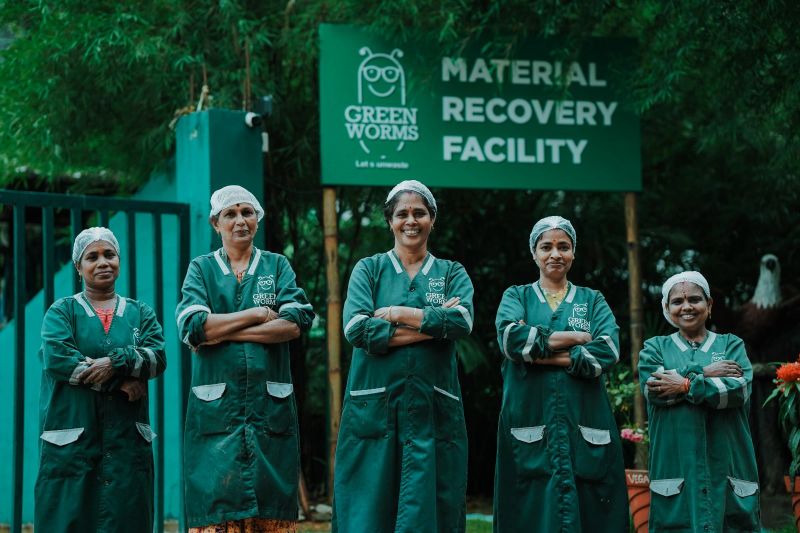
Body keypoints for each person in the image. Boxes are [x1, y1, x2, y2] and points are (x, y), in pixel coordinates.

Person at [332, 180, 474, 532]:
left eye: (419, 213)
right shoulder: (369, 269)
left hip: (432, 406)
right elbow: (356, 329)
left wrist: (394, 312)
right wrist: (432, 323)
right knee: (369, 505)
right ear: (390, 221)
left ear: (432, 219)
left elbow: (462, 321)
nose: (411, 221)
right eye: (402, 214)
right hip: (374, 407)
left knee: (431, 506)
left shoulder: (452, 272)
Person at [176, 185, 314, 532]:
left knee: (269, 503)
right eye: (231, 214)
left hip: (269, 405)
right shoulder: (201, 269)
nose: (240, 221)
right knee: (218, 504)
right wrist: (256, 314)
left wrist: (218, 330)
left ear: (256, 219)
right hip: (216, 410)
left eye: (247, 212)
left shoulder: (276, 265)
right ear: (215, 223)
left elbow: (296, 322)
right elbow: (193, 325)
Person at [493, 215, 628, 532]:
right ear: (534, 253)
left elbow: (607, 351)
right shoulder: (517, 296)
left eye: (563, 246)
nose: (555, 253)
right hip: (528, 414)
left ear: (573, 253)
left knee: (592, 505)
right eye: (547, 246)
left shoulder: (593, 300)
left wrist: (537, 353)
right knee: (528, 506)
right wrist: (577, 339)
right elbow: (512, 341)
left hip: (584, 417)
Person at [34, 227, 166, 532]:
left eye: (109, 254)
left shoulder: (140, 313)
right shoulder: (62, 312)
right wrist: (117, 382)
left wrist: (115, 361)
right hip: (73, 445)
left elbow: (157, 358)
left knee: (126, 519)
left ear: (119, 260)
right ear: (78, 267)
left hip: (126, 446)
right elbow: (59, 360)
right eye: (92, 257)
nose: (102, 262)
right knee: (68, 518)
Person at [639, 271, 760, 531]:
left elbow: (736, 391)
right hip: (676, 468)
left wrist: (682, 384)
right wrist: (706, 372)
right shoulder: (654, 348)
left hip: (726, 465)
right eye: (677, 301)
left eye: (695, 299)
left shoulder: (731, 345)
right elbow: (654, 390)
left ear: (709, 305)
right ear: (666, 307)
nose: (687, 307)